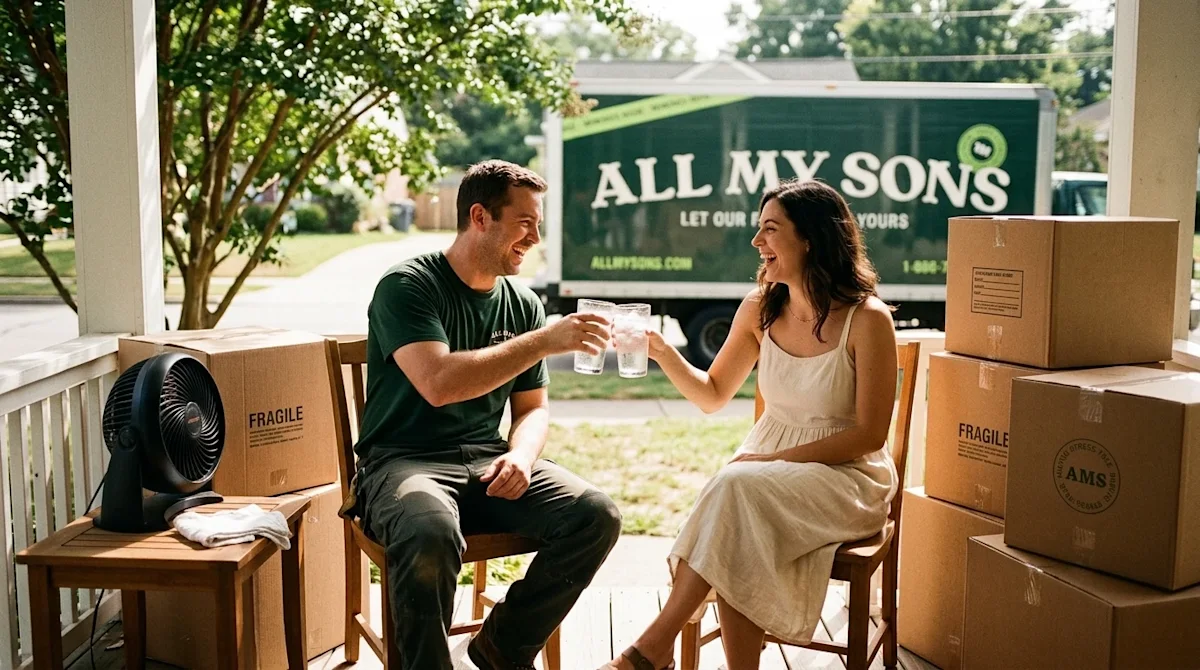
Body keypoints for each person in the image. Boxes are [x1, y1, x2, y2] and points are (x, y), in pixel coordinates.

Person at [603, 179, 899, 670]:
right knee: (740, 505)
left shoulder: (867, 321)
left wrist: (771, 459)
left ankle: (651, 649)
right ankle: (655, 652)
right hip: (763, 478)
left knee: (737, 488)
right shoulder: (759, 310)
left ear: (810, 239)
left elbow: (868, 435)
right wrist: (660, 349)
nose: (756, 243)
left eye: (769, 229)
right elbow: (712, 394)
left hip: (848, 477)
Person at [348, 160, 623, 670]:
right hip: (403, 463)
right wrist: (544, 340)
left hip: (487, 462)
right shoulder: (407, 286)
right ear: (480, 216)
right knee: (428, 533)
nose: (534, 238)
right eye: (525, 223)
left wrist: (520, 455)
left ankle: (501, 648)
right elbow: (439, 383)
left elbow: (533, 407)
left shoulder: (522, 303)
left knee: (596, 516)